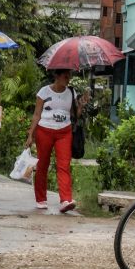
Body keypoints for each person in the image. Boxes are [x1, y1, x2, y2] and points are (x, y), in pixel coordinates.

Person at [26, 69, 88, 215]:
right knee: (43, 164)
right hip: (44, 131)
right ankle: (41, 199)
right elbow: (36, 115)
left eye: (69, 76)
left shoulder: (71, 92)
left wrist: (81, 106)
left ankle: (65, 200)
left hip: (64, 132)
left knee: (64, 165)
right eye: (65, 76)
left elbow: (74, 115)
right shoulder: (44, 92)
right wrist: (30, 135)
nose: (68, 79)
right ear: (57, 76)